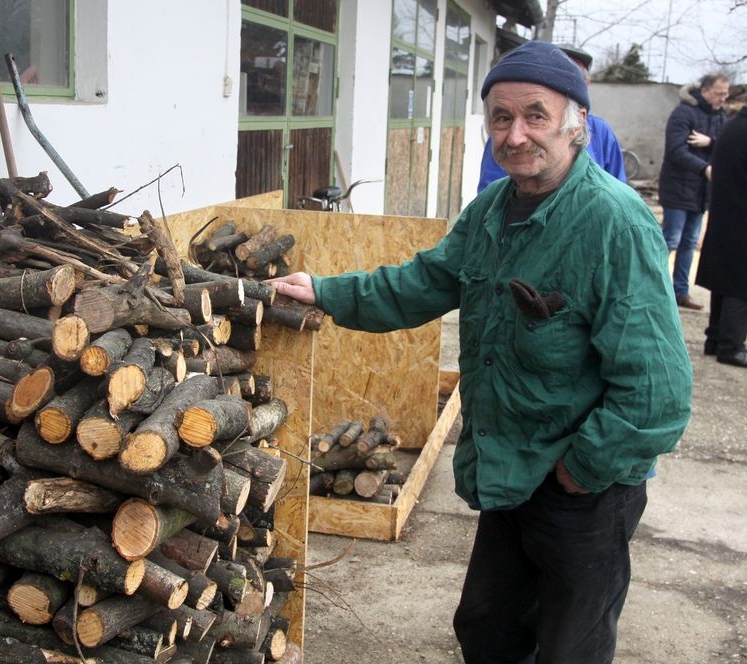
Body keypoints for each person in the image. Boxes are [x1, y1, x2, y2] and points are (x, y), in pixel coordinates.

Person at [268, 40, 692, 663]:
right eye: (501, 117)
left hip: (584, 487)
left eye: (535, 115)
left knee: (571, 647)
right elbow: (423, 282)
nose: (516, 134)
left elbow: (659, 392)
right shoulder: (492, 209)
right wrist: (326, 292)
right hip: (509, 465)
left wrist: (582, 469)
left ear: (576, 123)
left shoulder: (615, 223)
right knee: (488, 628)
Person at [476, 43, 627, 193]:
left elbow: (617, 188)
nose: (515, 139)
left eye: (536, 117)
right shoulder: (504, 135)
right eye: (504, 118)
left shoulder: (601, 132)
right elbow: (490, 188)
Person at [658, 73, 730, 310]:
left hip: (700, 194)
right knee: (671, 239)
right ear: (705, 91)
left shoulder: (720, 116)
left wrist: (710, 142)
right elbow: (676, 150)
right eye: (719, 93)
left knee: (689, 242)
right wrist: (704, 168)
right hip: (678, 189)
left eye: (726, 94)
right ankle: (653, 288)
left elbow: (726, 145)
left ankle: (680, 292)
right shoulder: (684, 113)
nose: (723, 98)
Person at [695, 102, 747, 367]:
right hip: (741, 219)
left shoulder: (731, 126)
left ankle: (715, 338)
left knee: (723, 282)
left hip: (725, 215)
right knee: (740, 284)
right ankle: (731, 345)